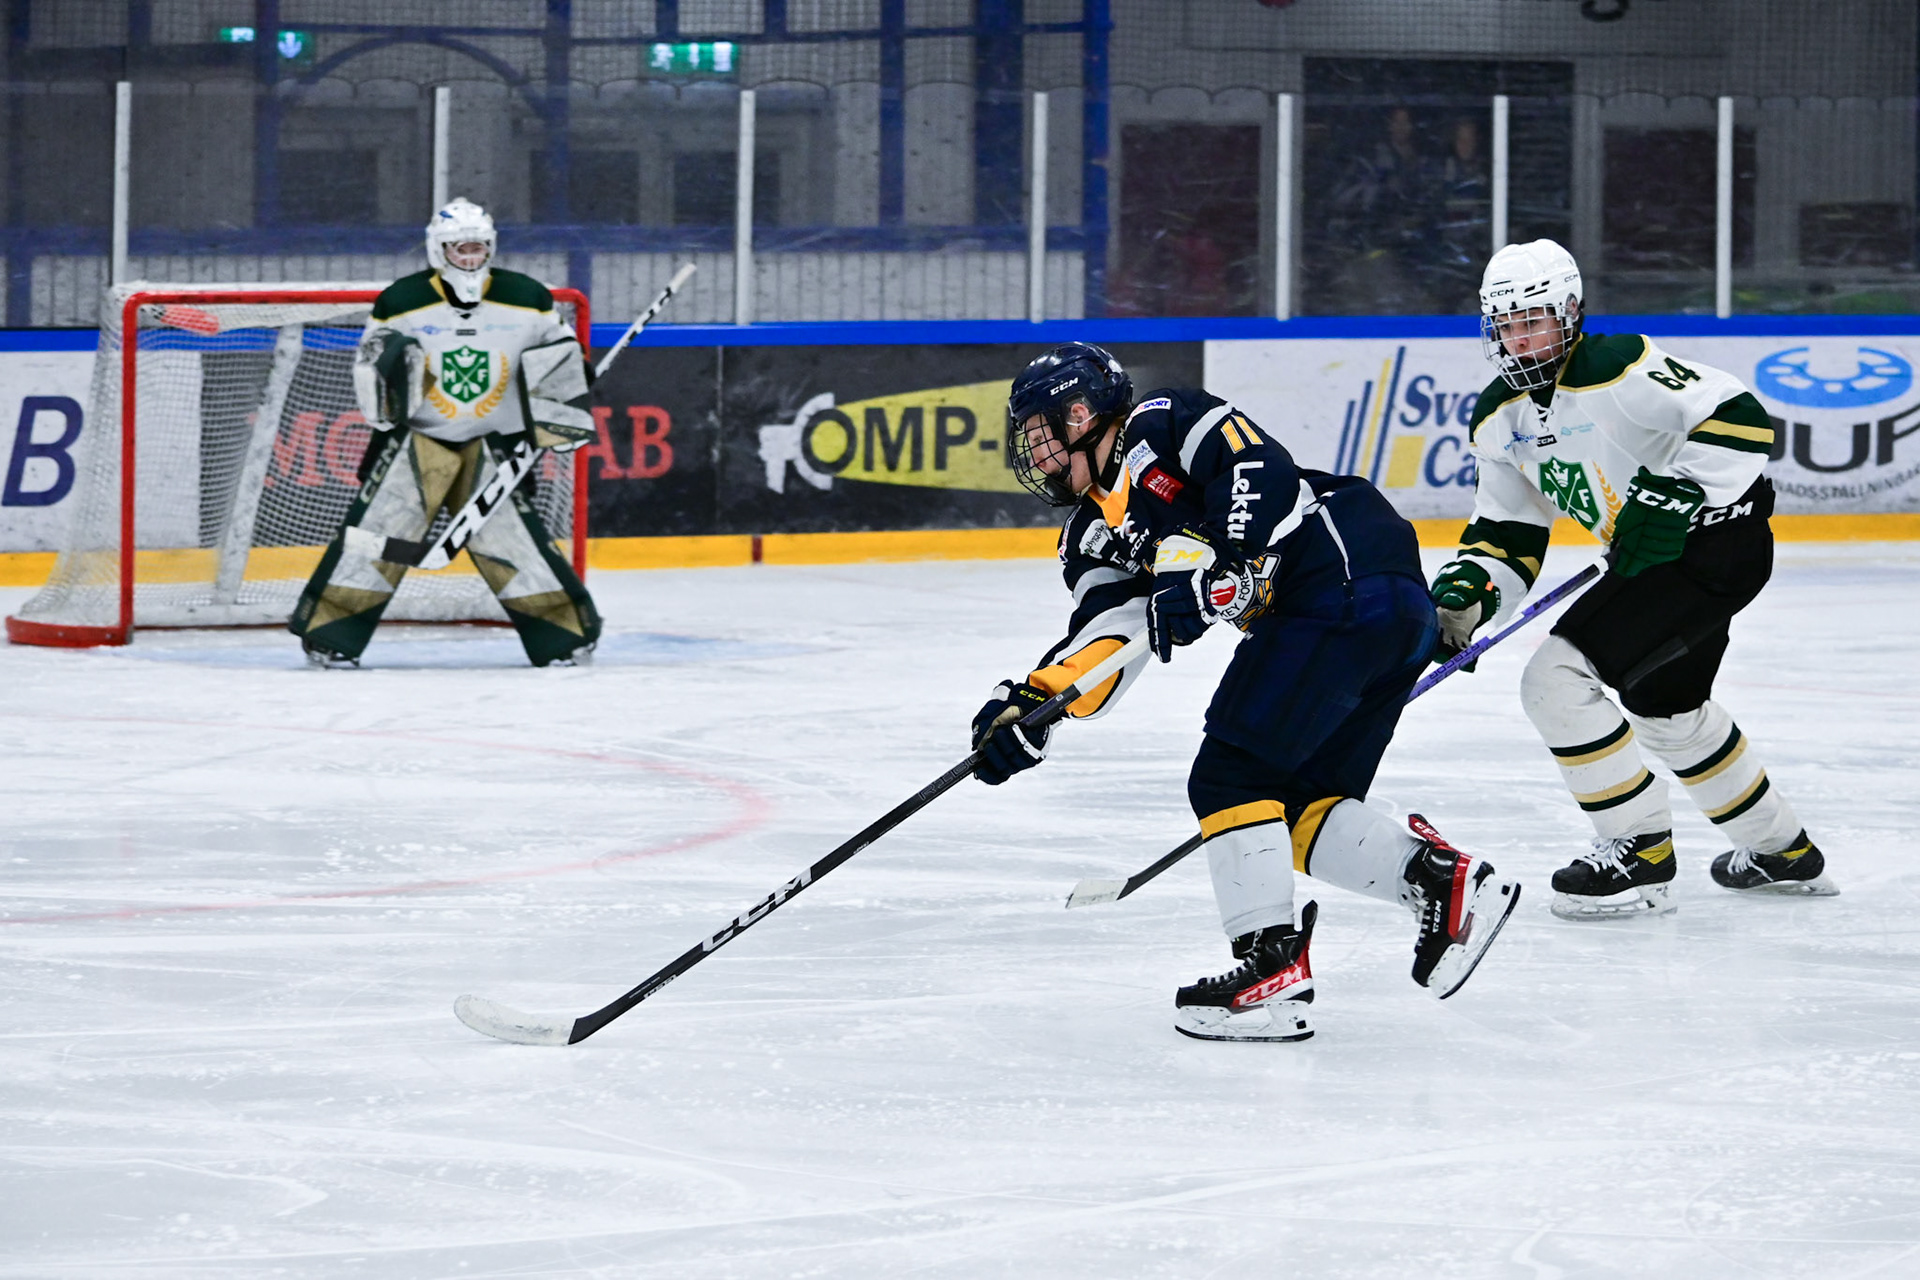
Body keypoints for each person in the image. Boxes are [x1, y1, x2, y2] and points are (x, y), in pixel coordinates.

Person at [970, 343, 1521, 1042]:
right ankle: (1442, 882)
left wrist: (1210, 560)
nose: (1037, 456)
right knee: (1287, 806)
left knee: (1230, 777)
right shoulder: (1089, 538)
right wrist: (1037, 702)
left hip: (1341, 575)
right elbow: (1111, 629)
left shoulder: (1161, 423)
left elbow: (1257, 468)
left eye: (1042, 434)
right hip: (1363, 616)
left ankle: (1271, 969)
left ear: (1081, 414)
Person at [1431, 239, 1835, 920]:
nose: (1519, 339)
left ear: (1570, 313)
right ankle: (1781, 850)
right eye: (1505, 324)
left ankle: (1639, 849)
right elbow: (1508, 529)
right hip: (1659, 561)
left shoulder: (1617, 366)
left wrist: (1680, 490)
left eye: (1533, 321)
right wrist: (1468, 595)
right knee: (1666, 707)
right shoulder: (1499, 417)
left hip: (1713, 546)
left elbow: (1740, 416)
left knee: (1556, 680)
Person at [289, 198, 601, 668]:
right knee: (377, 536)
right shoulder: (402, 300)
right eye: (460, 248)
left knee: (513, 543)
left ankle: (564, 638)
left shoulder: (528, 296)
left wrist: (571, 379)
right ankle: (330, 636)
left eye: (478, 248)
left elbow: (560, 355)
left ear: (491, 247)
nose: (470, 258)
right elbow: (371, 363)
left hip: (495, 443)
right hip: (419, 441)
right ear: (439, 250)